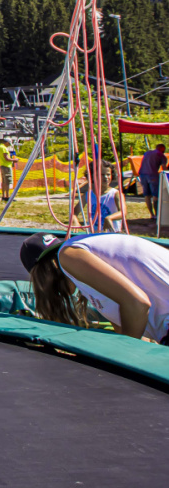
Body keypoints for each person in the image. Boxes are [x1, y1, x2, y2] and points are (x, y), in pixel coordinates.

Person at [21, 229, 169, 341]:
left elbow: (138, 303)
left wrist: (127, 353)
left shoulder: (68, 255)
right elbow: (128, 329)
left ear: (44, 275)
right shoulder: (95, 280)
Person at [74, 163, 122, 234]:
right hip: (94, 234)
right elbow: (74, 212)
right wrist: (74, 220)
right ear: (93, 176)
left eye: (108, 174)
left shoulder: (115, 194)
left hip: (112, 234)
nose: (106, 177)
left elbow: (123, 213)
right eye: (102, 174)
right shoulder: (88, 195)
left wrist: (109, 218)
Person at [137, 142, 166, 220]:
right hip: (153, 175)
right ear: (163, 150)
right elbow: (164, 169)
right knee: (156, 195)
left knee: (147, 195)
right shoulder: (161, 155)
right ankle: (157, 214)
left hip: (142, 174)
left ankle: (152, 214)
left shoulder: (147, 153)